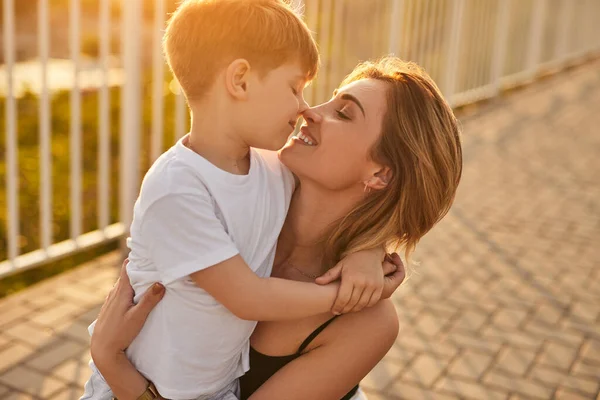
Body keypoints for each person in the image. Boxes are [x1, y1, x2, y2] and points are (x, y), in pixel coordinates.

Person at [90, 56, 463, 400]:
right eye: (327, 100)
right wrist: (367, 250)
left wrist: (112, 363)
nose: (308, 110)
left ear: (380, 174)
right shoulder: (245, 184)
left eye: (344, 114)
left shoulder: (366, 323)